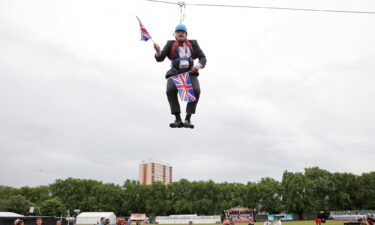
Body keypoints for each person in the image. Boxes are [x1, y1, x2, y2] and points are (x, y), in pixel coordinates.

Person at [154, 24, 207, 129]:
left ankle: (188, 117)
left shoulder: (193, 43)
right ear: (175, 34)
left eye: (182, 32)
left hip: (190, 73)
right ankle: (178, 119)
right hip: (175, 73)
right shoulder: (170, 44)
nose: (180, 33)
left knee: (196, 90)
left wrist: (198, 66)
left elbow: (203, 57)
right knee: (170, 90)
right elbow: (160, 58)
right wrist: (158, 51)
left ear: (186, 34)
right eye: (178, 32)